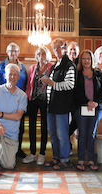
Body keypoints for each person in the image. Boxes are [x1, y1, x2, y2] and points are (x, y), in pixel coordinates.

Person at [0, 64, 27, 180]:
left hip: (11, 132)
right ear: (5, 76)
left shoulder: (22, 95)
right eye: (10, 74)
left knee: (9, 165)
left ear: (18, 77)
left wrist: (0, 114)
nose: (12, 77)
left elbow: (18, 116)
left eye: (15, 74)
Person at [41, 38, 76, 170]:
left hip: (62, 106)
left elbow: (70, 84)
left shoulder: (69, 65)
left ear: (65, 48)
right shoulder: (56, 65)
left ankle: (65, 159)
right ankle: (56, 157)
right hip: (51, 105)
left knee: (62, 134)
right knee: (53, 134)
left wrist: (52, 84)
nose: (56, 50)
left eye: (59, 47)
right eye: (54, 48)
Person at [0, 43, 28, 158]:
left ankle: (17, 148)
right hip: (3, 100)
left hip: (18, 101)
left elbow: (26, 84)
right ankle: (0, 150)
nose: (13, 53)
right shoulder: (1, 66)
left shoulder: (22, 67)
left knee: (19, 126)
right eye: (11, 51)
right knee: (2, 124)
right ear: (7, 52)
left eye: (16, 51)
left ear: (19, 53)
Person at [74, 50, 102, 171]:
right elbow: (75, 92)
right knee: (82, 134)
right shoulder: (77, 74)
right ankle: (81, 160)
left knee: (91, 134)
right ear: (80, 60)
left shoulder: (98, 74)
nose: (86, 61)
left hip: (96, 108)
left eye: (88, 58)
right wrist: (87, 102)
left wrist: (95, 103)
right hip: (81, 108)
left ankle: (91, 160)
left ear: (92, 59)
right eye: (84, 58)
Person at [23, 47, 53, 165]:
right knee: (31, 126)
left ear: (47, 55)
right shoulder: (32, 68)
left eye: (43, 53)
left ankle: (42, 153)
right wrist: (27, 96)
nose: (41, 55)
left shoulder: (52, 67)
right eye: (39, 53)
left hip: (46, 99)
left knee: (44, 127)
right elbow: (29, 84)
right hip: (33, 99)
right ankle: (32, 153)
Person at [67, 41, 80, 155]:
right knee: (67, 122)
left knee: (76, 121)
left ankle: (70, 142)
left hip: (79, 98)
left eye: (74, 49)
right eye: (70, 49)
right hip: (67, 98)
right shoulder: (65, 63)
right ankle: (68, 146)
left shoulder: (81, 63)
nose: (72, 51)